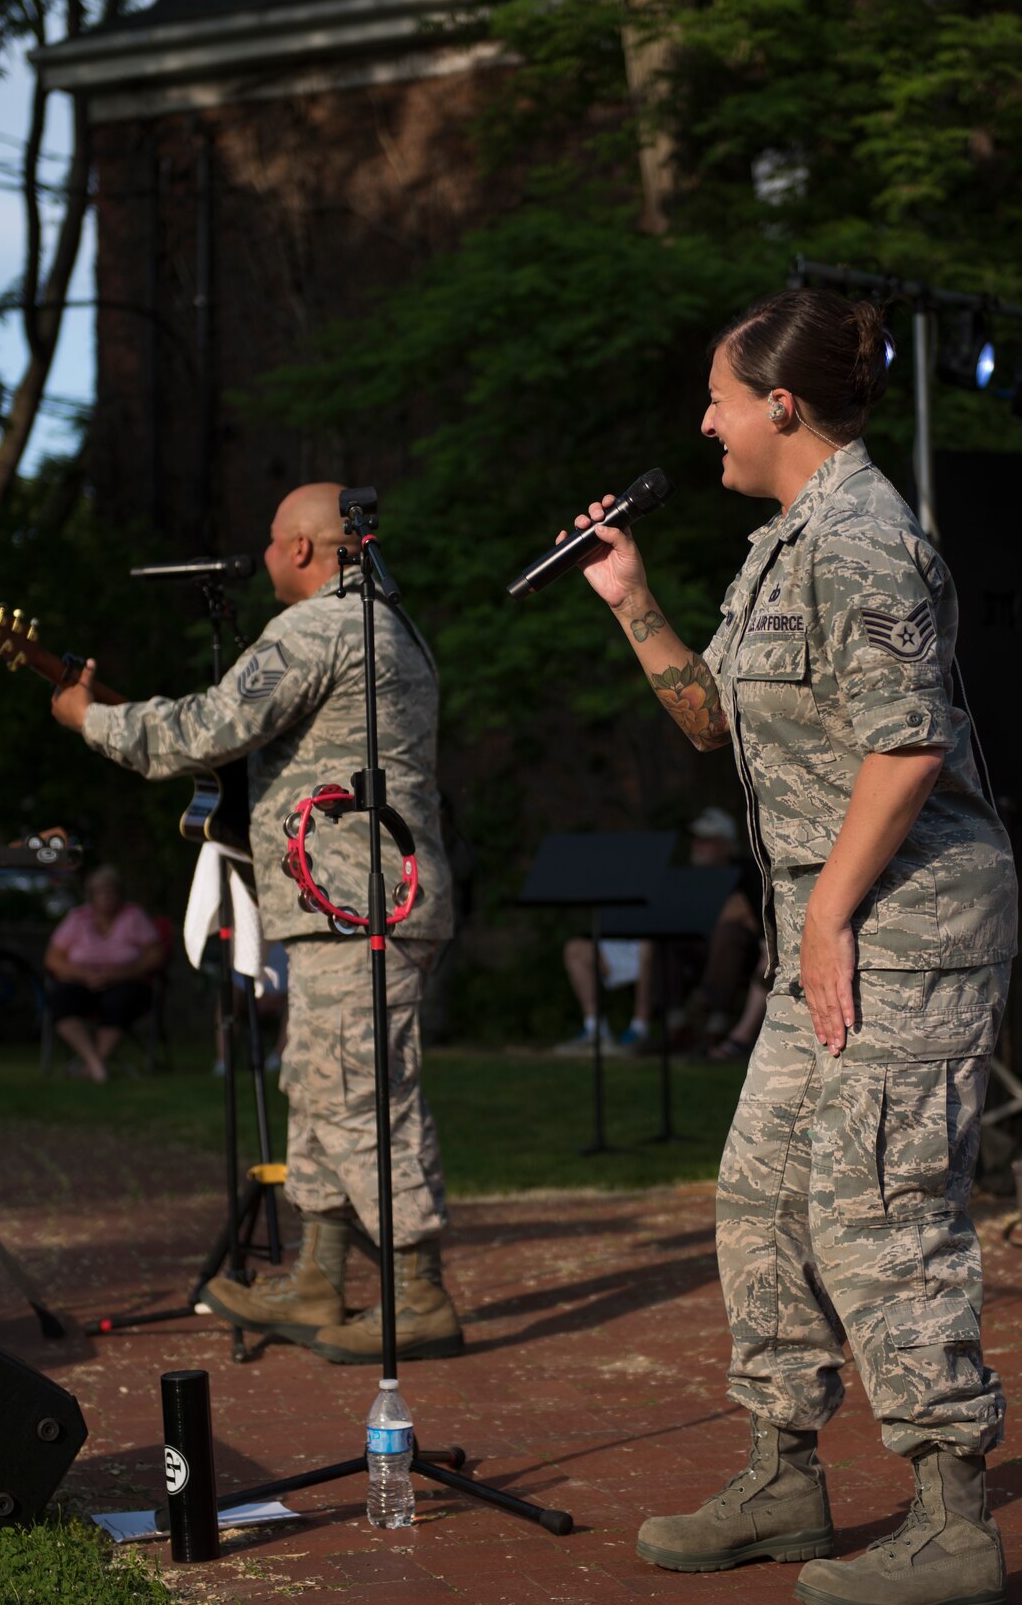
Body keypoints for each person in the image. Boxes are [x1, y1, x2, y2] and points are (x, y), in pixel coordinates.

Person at [565, 287, 1017, 1605]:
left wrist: (822, 919)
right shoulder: (780, 546)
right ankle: (781, 1477)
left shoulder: (865, 541)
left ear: (777, 403)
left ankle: (951, 1518)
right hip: (830, 922)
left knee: (878, 1208)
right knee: (760, 1194)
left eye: (715, 397)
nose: (699, 421)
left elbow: (907, 744)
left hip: (906, 927)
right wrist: (629, 596)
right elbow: (710, 721)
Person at [49, 483, 460, 1363]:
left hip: (355, 907)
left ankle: (420, 1294)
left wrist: (92, 721)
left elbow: (205, 729)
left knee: (361, 1099)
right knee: (320, 1090)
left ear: (305, 550)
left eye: (271, 543)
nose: (263, 557)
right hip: (357, 901)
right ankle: (317, 1280)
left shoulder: (318, 628)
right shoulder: (391, 621)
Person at [553, 807, 746, 1054]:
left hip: (724, 951)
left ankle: (648, 1026)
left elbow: (744, 914)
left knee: (663, 941)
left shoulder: (745, 872)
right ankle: (602, 1029)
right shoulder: (681, 876)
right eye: (697, 840)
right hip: (680, 947)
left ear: (726, 844)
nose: (698, 846)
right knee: (657, 940)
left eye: (707, 841)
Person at [43, 865, 164, 1082]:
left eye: (111, 890)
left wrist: (122, 974)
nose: (106, 896)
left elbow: (155, 955)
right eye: (101, 891)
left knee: (120, 1002)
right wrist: (82, 975)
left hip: (124, 982)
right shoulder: (77, 917)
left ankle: (93, 1067)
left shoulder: (133, 915)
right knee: (61, 1000)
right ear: (91, 894)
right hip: (81, 982)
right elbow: (53, 958)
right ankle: (96, 1064)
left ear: (120, 893)